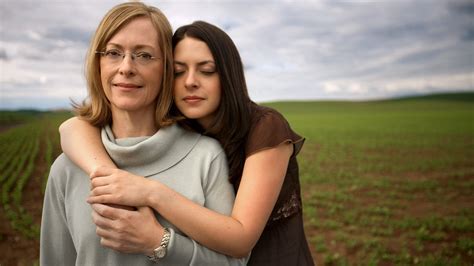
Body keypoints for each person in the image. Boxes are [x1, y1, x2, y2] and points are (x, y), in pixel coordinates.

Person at [59, 20, 315, 265]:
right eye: (179, 72)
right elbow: (72, 127)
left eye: (206, 70)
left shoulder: (265, 127)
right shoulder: (181, 125)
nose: (190, 82)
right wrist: (111, 179)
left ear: (228, 76)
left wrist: (150, 192)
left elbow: (241, 239)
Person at [40, 3, 247, 265]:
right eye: (114, 53)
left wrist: (161, 243)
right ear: (98, 64)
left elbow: (235, 263)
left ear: (167, 69)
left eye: (144, 55)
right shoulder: (66, 169)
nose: (126, 67)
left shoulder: (206, 157)